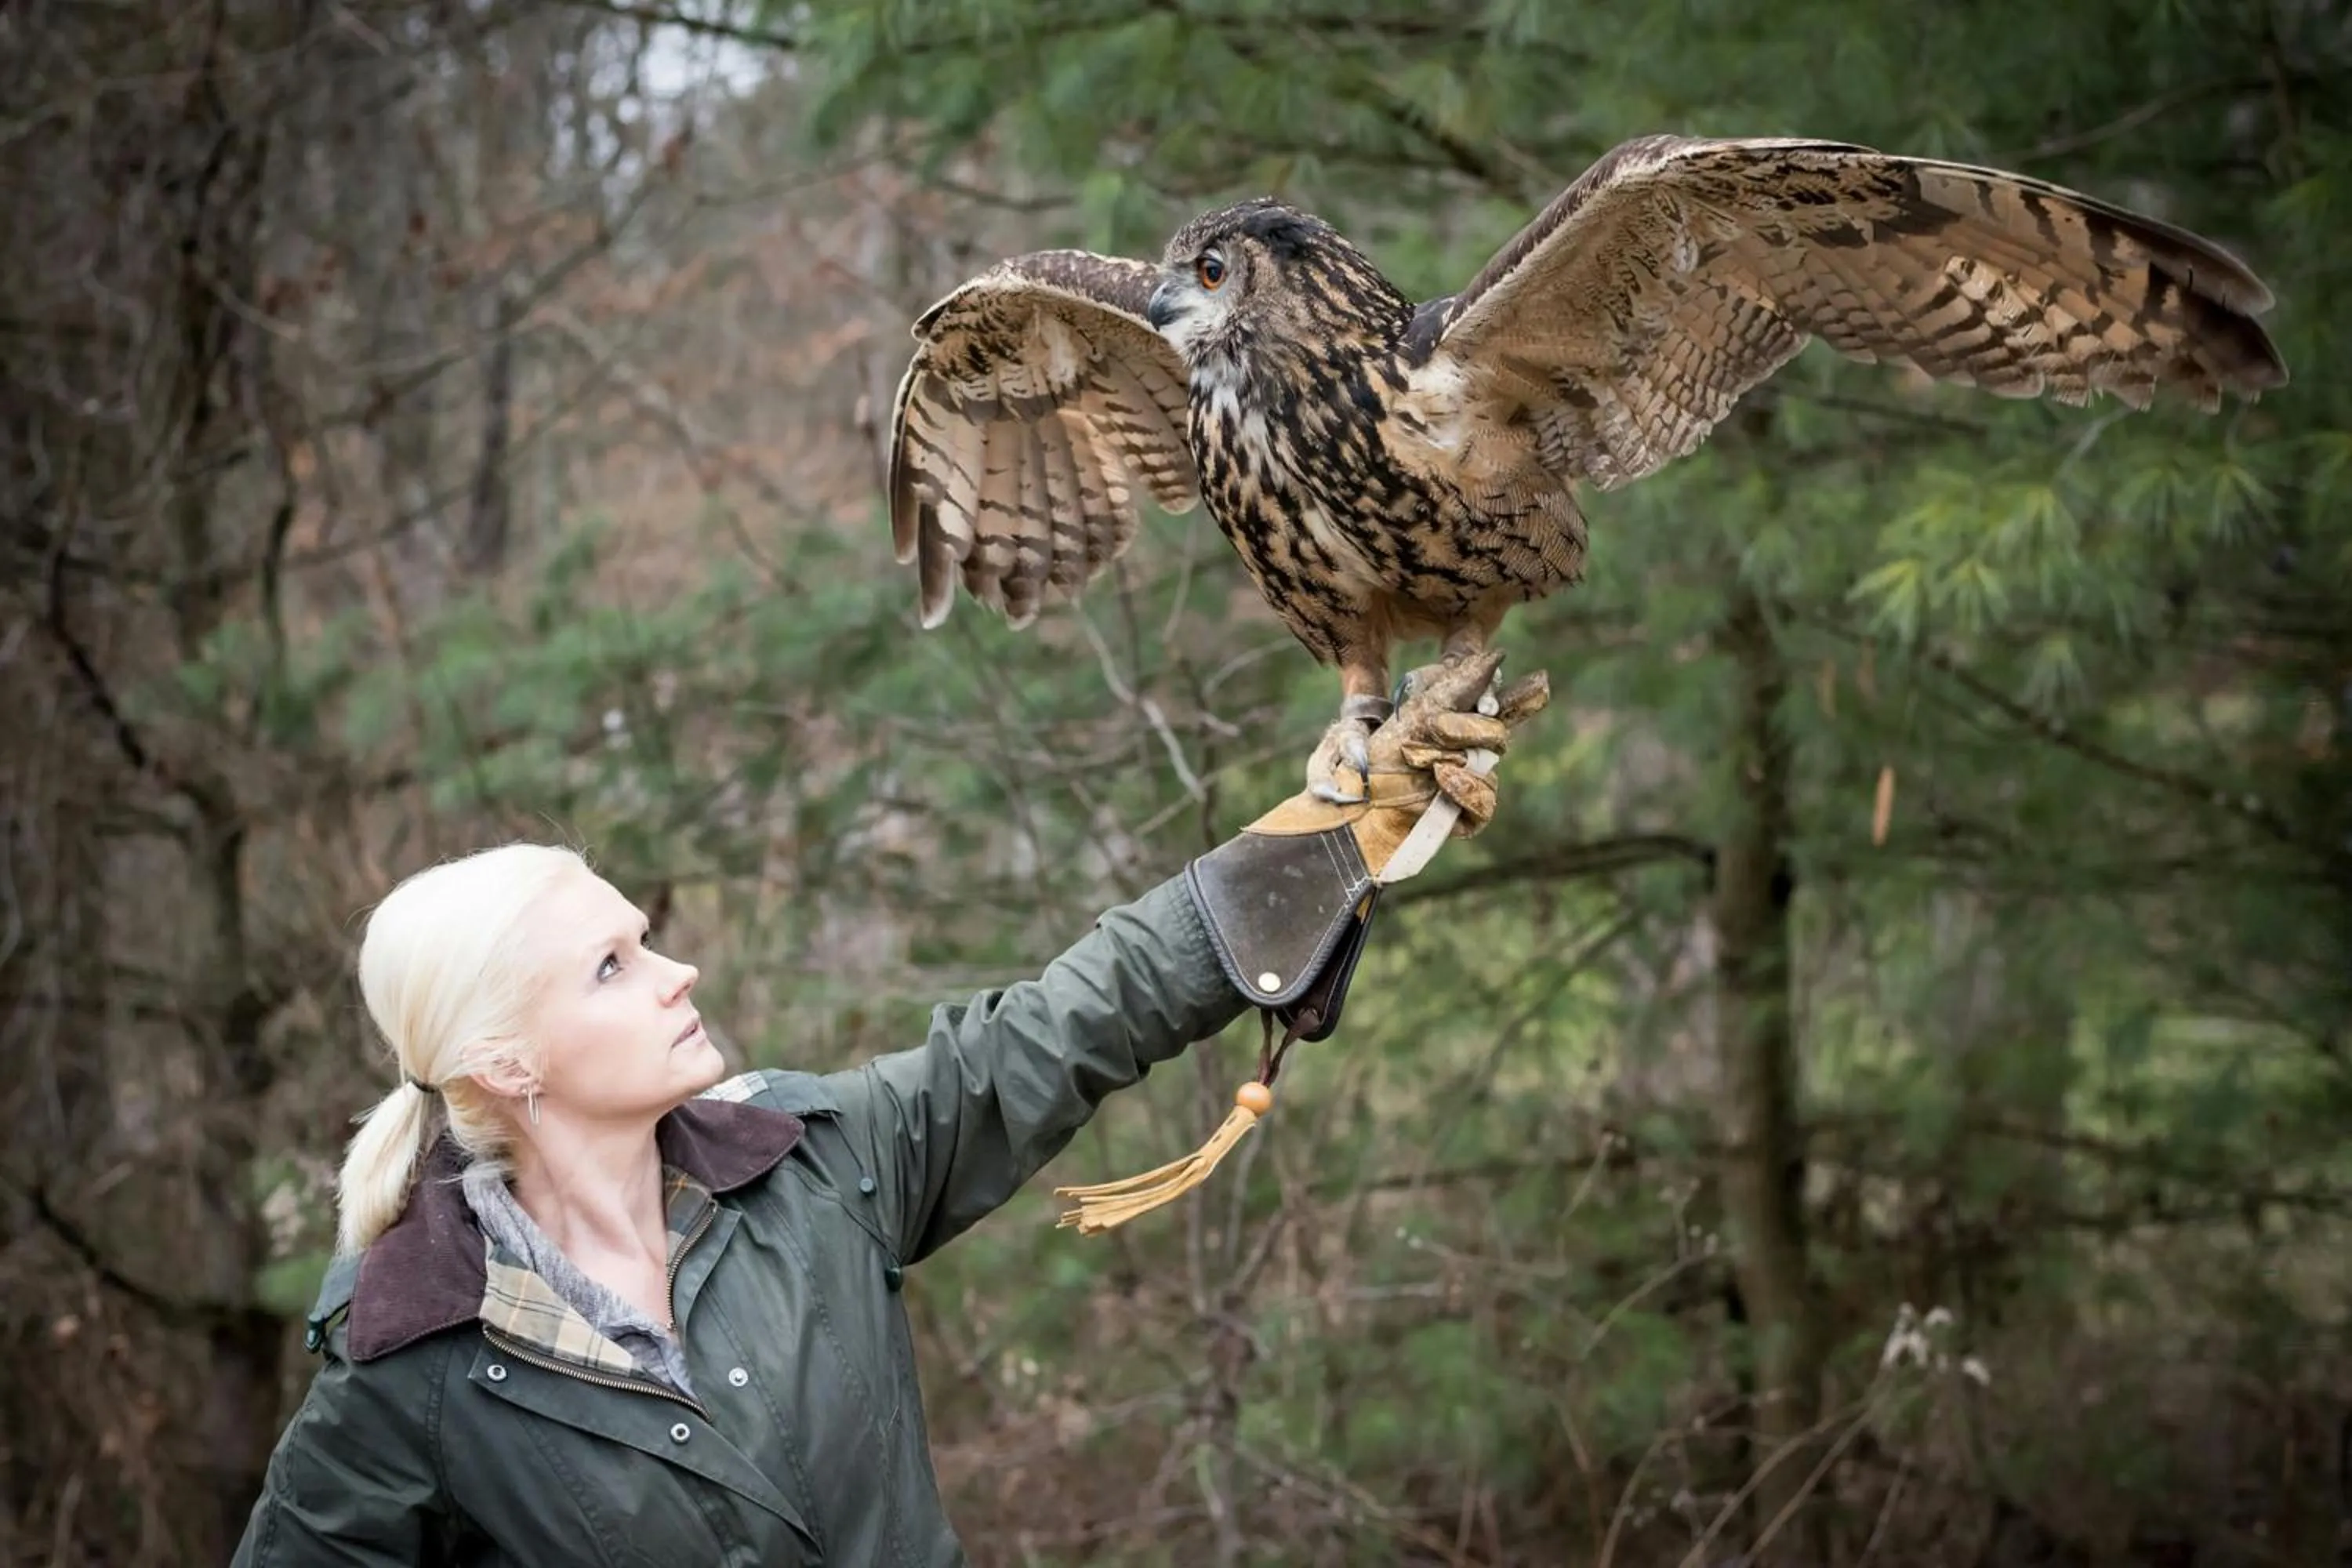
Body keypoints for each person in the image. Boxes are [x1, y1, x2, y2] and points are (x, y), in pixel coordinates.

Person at [230, 655, 1546, 1566]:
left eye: (647, 938)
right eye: (613, 969)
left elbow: (1067, 1023)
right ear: (506, 1064)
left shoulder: (809, 1168)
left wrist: (1332, 841)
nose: (678, 973)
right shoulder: (414, 1362)